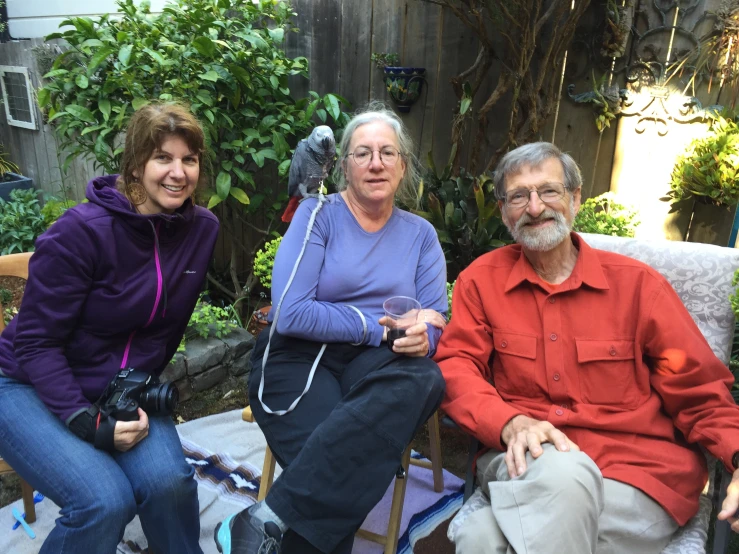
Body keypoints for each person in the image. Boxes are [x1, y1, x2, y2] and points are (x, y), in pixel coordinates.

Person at [434, 141, 739, 554]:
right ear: (504, 211)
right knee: (561, 479)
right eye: (519, 196)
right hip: (527, 461)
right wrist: (509, 423)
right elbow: (455, 368)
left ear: (575, 198)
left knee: (480, 537)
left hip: (635, 477)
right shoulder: (481, 283)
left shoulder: (639, 287)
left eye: (549, 191)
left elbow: (700, 391)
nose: (535, 207)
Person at [215, 102, 448, 554]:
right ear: (343, 166)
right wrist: (380, 329)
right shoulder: (315, 215)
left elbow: (434, 318)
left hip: (379, 362)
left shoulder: (421, 236)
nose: (376, 163)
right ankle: (274, 528)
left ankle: (262, 519)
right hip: (300, 355)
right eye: (362, 153)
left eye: (387, 153)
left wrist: (425, 337)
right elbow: (293, 313)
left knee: (428, 377)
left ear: (403, 166)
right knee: (338, 477)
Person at [0, 103, 219, 554]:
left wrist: (133, 392)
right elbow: (36, 342)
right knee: (103, 501)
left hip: (120, 386)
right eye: (163, 157)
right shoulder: (80, 232)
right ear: (136, 164)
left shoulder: (201, 231)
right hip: (24, 383)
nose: (178, 172)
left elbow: (166, 328)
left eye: (189, 159)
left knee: (169, 484)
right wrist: (89, 423)